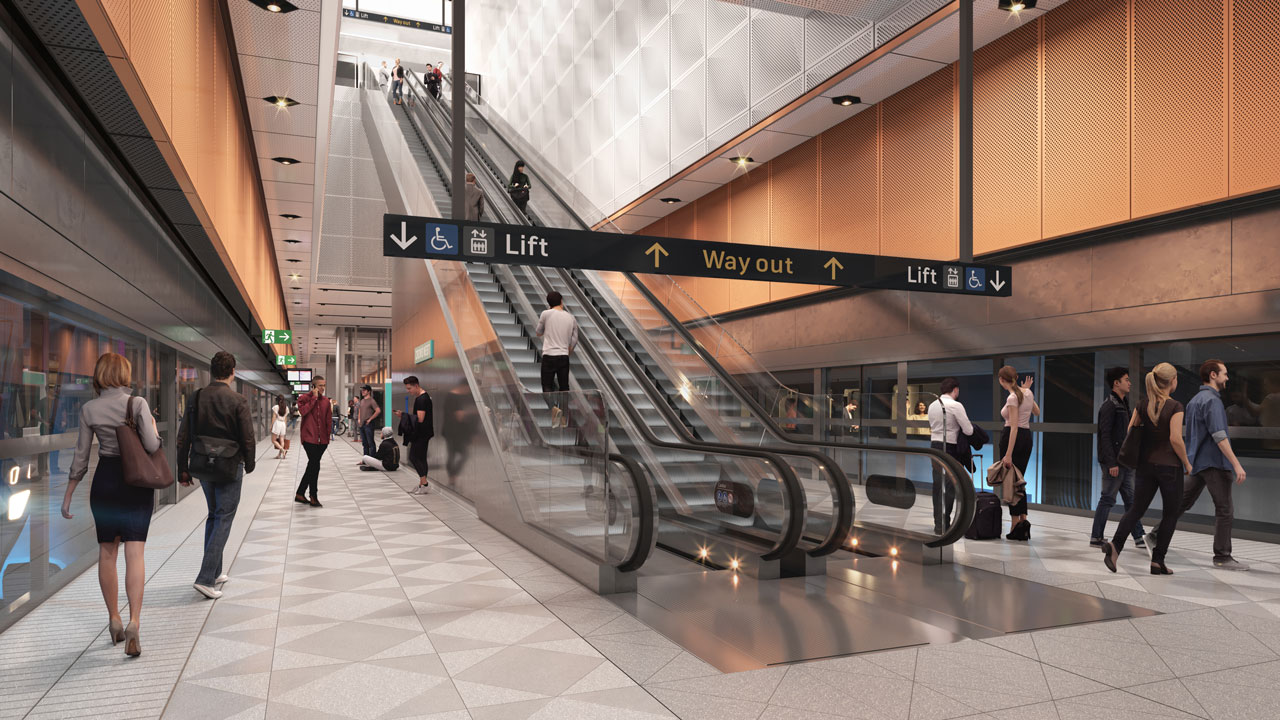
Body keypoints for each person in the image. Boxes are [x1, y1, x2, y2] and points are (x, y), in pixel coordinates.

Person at [61, 353, 160, 657]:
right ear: (125, 374)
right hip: (135, 482)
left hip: (104, 481)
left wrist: (68, 494)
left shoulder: (89, 408)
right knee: (135, 552)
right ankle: (134, 621)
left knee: (107, 551)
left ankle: (114, 618)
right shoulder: (137, 404)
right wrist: (153, 425)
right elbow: (153, 445)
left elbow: (80, 456)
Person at [177, 351, 256, 601]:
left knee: (214, 515)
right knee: (224, 517)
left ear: (212, 372)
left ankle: (216, 571)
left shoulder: (197, 396)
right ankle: (205, 577)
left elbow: (183, 436)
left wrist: (183, 467)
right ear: (233, 372)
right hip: (229, 465)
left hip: (202, 464)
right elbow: (247, 437)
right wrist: (250, 462)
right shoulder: (238, 400)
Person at [1103, 363, 1191, 575]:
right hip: (1170, 467)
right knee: (1170, 514)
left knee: (1136, 510)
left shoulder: (1142, 405)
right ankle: (1157, 561)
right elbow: (1175, 439)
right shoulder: (1175, 406)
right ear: (1172, 382)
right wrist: (1187, 463)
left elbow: (1129, 430)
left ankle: (1115, 546)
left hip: (1145, 466)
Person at [1177, 359, 1250, 571]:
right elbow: (1219, 436)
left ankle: (1155, 536)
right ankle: (1222, 557)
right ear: (1213, 375)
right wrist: (1236, 464)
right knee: (1225, 510)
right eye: (1224, 374)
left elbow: (1192, 435)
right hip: (1215, 463)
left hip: (1198, 462)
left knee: (1180, 503)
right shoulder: (1213, 401)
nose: (1227, 378)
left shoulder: (1194, 401)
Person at [1090, 367, 1147, 549]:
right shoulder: (1110, 405)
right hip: (1115, 462)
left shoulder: (1123, 404)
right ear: (1116, 383)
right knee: (1108, 498)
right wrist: (1111, 463)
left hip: (1125, 461)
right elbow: (1104, 435)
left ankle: (1139, 536)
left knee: (1131, 500)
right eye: (1126, 379)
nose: (1129, 383)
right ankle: (1096, 537)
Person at [998, 365, 1039, 541]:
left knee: (1011, 483)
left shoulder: (1013, 397)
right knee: (1019, 481)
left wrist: (1008, 454)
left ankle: (1015, 524)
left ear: (1002, 380)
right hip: (1026, 438)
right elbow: (1036, 412)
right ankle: (1024, 521)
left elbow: (1013, 427)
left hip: (1013, 438)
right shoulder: (1027, 393)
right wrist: (1027, 391)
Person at [927, 378, 973, 534]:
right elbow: (968, 430)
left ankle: (938, 524)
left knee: (937, 486)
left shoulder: (932, 405)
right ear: (955, 389)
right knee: (950, 486)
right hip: (950, 448)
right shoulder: (956, 405)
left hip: (934, 447)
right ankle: (946, 523)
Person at [535, 291, 578, 428]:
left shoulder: (546, 314)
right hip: (564, 356)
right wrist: (567, 351)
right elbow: (574, 339)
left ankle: (554, 409)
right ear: (561, 301)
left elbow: (538, 332)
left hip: (549, 355)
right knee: (564, 388)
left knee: (546, 386)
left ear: (549, 303)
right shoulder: (571, 318)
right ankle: (564, 417)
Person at [296, 375, 331, 507]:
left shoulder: (326, 402)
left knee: (313, 465)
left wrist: (327, 438)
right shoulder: (303, 399)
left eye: (324, 385)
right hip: (308, 438)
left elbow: (328, 421)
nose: (322, 388)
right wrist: (314, 399)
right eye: (320, 385)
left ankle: (300, 493)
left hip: (322, 440)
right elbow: (303, 412)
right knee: (315, 465)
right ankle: (313, 496)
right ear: (314, 386)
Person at [394, 376, 434, 494]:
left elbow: (420, 419)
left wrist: (404, 416)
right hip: (425, 432)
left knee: (414, 457)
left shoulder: (421, 399)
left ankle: (425, 483)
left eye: (409, 388)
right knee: (421, 458)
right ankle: (422, 485)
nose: (408, 391)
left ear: (416, 385)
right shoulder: (424, 397)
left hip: (421, 433)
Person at [357, 384, 381, 459]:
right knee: (364, 443)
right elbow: (360, 410)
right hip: (362, 424)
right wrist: (359, 419)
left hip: (368, 424)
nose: (362, 392)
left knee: (370, 442)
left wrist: (370, 419)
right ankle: (365, 459)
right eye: (362, 390)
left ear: (369, 391)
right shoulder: (362, 401)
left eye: (364, 390)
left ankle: (372, 460)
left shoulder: (371, 401)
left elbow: (378, 411)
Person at [271, 395, 289, 459]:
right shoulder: (286, 408)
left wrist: (271, 425)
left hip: (277, 423)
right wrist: (285, 426)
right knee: (282, 440)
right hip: (283, 424)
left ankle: (282, 450)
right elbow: (285, 418)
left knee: (273, 440)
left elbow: (274, 417)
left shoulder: (276, 407)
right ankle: (279, 455)